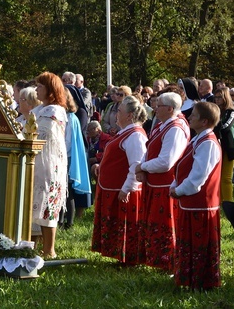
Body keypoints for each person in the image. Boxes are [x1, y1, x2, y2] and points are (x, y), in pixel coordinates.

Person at [134, 92, 189, 271]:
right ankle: (157, 260)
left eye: (159, 105)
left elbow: (166, 162)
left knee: (165, 225)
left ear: (170, 109)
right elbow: (150, 148)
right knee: (156, 223)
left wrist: (143, 166)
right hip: (156, 184)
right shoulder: (163, 125)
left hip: (166, 185)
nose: (155, 108)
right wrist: (143, 165)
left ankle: (168, 261)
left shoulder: (175, 128)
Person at [170, 102, 222, 290]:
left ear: (205, 121)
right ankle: (189, 277)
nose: (190, 117)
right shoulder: (198, 139)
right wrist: (175, 184)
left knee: (199, 243)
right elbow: (184, 166)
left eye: (194, 115)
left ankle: (201, 280)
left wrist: (179, 190)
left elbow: (198, 176)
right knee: (189, 242)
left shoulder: (208, 143)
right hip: (190, 202)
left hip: (201, 204)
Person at [91, 95, 148, 265]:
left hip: (123, 191)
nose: (116, 114)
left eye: (120, 111)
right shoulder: (125, 133)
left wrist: (127, 188)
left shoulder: (136, 136)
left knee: (126, 225)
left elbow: (136, 165)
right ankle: (119, 255)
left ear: (129, 115)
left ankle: (128, 258)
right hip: (113, 188)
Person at [32, 71, 67, 259]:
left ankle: (49, 250)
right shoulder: (38, 110)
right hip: (34, 162)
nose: (36, 89)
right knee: (33, 205)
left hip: (48, 163)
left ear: (50, 90)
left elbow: (44, 136)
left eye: (40, 86)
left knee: (47, 206)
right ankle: (31, 245)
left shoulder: (54, 111)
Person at [62, 89, 91, 227]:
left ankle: (69, 222)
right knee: (62, 190)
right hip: (64, 157)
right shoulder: (65, 116)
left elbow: (67, 142)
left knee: (68, 191)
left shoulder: (71, 118)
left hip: (67, 157)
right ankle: (61, 220)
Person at [213, 86, 234, 203]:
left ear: (225, 98)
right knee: (217, 177)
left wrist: (214, 125)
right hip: (217, 147)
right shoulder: (215, 110)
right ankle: (220, 201)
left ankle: (229, 203)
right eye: (215, 97)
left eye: (219, 97)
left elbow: (225, 127)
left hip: (228, 148)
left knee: (226, 178)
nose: (217, 100)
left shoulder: (231, 112)